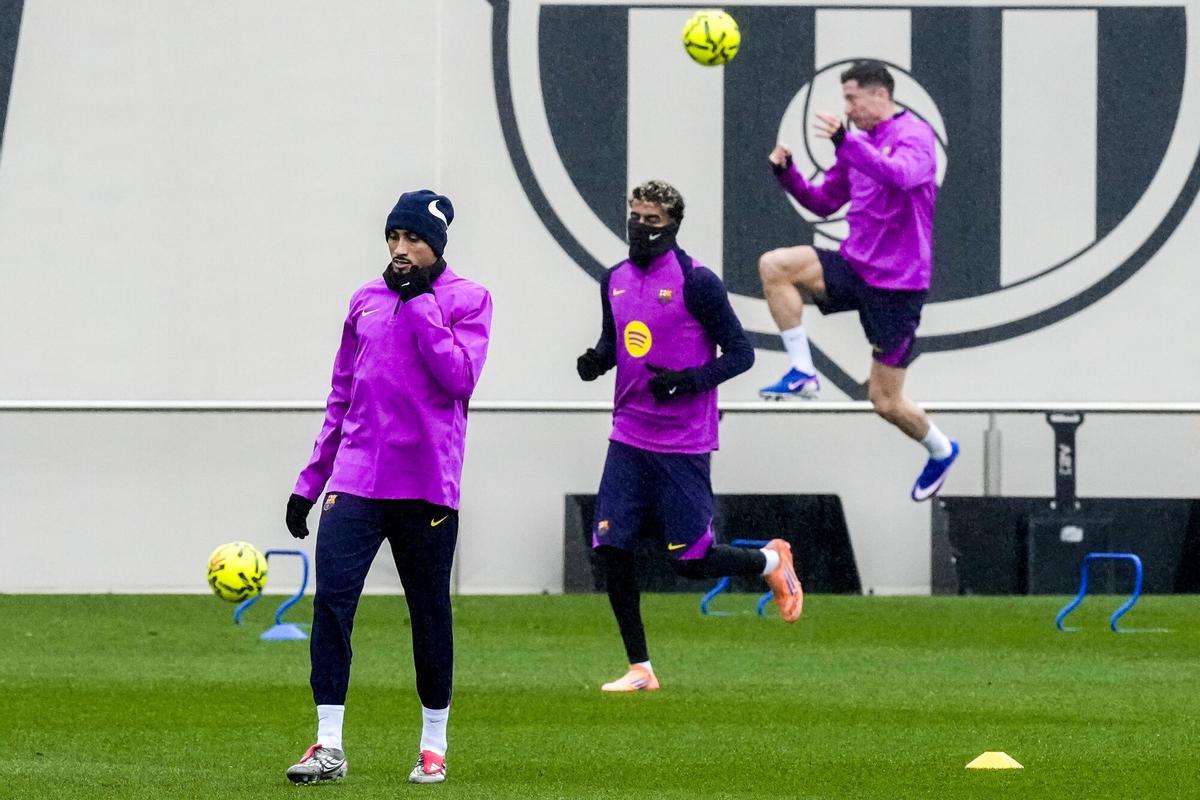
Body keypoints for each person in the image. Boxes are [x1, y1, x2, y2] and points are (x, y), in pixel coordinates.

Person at [282, 189, 492, 785]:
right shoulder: (364, 301)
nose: (400, 249)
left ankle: (433, 745)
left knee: (428, 614)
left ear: (436, 246)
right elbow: (341, 396)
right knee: (333, 603)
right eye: (394, 238)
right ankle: (327, 745)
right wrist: (310, 481)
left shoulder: (468, 300)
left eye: (414, 239)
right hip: (355, 482)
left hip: (426, 486)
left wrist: (423, 305)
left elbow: (459, 378)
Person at [576, 179, 803, 693]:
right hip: (628, 437)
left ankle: (771, 560)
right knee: (611, 548)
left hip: (682, 443)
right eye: (635, 217)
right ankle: (640, 668)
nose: (640, 228)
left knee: (691, 561)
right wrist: (597, 361)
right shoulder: (613, 278)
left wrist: (689, 381)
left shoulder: (697, 282)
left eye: (652, 220)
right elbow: (617, 343)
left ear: (673, 225)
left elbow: (741, 353)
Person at [757, 60, 959, 501]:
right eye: (845, 99)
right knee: (775, 266)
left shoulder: (915, 136)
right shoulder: (858, 145)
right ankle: (802, 372)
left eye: (852, 98)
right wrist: (786, 172)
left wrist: (847, 144)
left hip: (899, 285)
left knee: (886, 402)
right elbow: (825, 201)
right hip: (855, 266)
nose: (847, 109)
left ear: (880, 95)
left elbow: (902, 175)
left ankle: (941, 449)